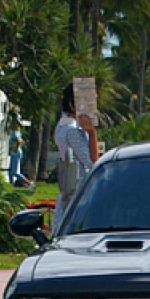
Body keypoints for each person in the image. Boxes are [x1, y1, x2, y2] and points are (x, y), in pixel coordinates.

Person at [54, 83, 99, 219]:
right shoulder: (73, 130)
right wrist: (92, 133)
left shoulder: (62, 125)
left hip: (69, 185)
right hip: (79, 188)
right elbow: (92, 162)